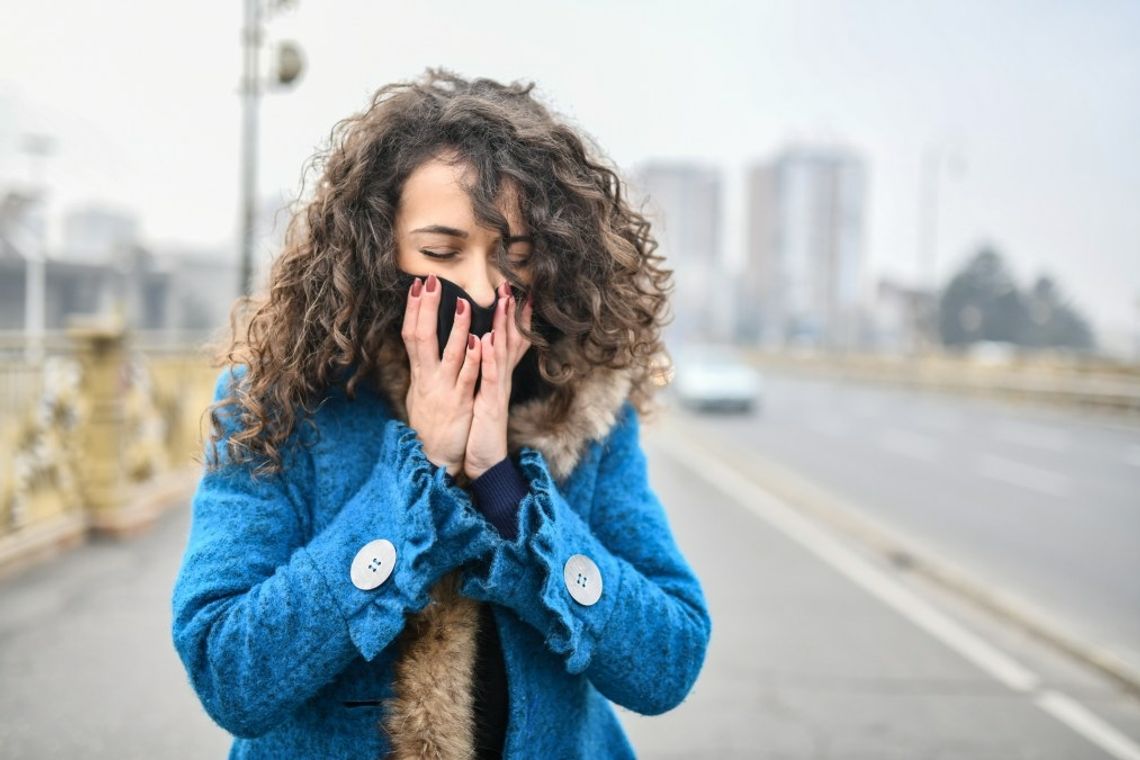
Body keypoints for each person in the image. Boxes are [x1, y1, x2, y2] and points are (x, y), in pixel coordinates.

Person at [170, 67, 710, 760]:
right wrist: (414, 477)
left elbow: (669, 663)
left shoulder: (584, 408)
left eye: (513, 256)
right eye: (441, 251)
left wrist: (503, 490)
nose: (482, 286)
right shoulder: (278, 401)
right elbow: (231, 678)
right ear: (376, 250)